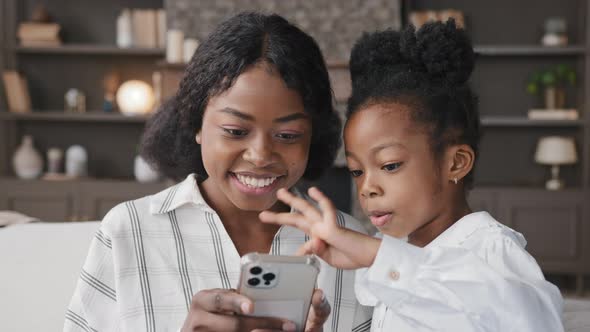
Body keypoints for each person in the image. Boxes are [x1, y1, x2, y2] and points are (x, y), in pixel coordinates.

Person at [64, 12, 372, 332]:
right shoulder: (128, 231)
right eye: (236, 131)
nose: (260, 156)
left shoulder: (353, 245)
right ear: (197, 124)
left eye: (288, 135)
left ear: (313, 135)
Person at [259, 20, 564, 331]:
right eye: (356, 171)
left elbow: (534, 319)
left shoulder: (490, 249)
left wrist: (377, 255)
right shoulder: (395, 249)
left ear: (456, 163)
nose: (367, 188)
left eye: (390, 165)